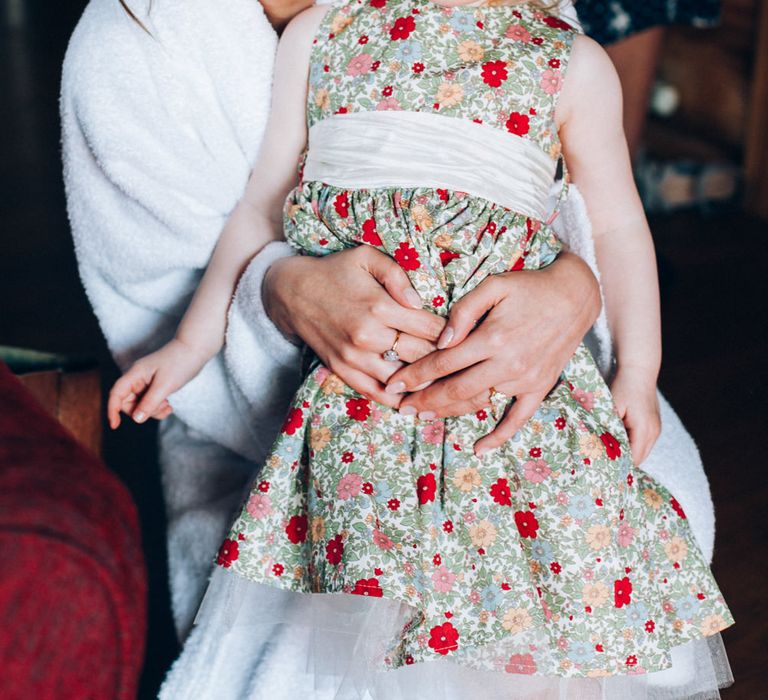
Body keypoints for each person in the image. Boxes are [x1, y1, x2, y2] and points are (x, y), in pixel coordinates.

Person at [108, 0, 733, 696]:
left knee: (529, 591)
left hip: (504, 392)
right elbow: (262, 202)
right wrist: (191, 343)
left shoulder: (570, 60)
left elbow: (616, 224)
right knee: (358, 622)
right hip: (364, 392)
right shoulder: (328, 31)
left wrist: (639, 371)